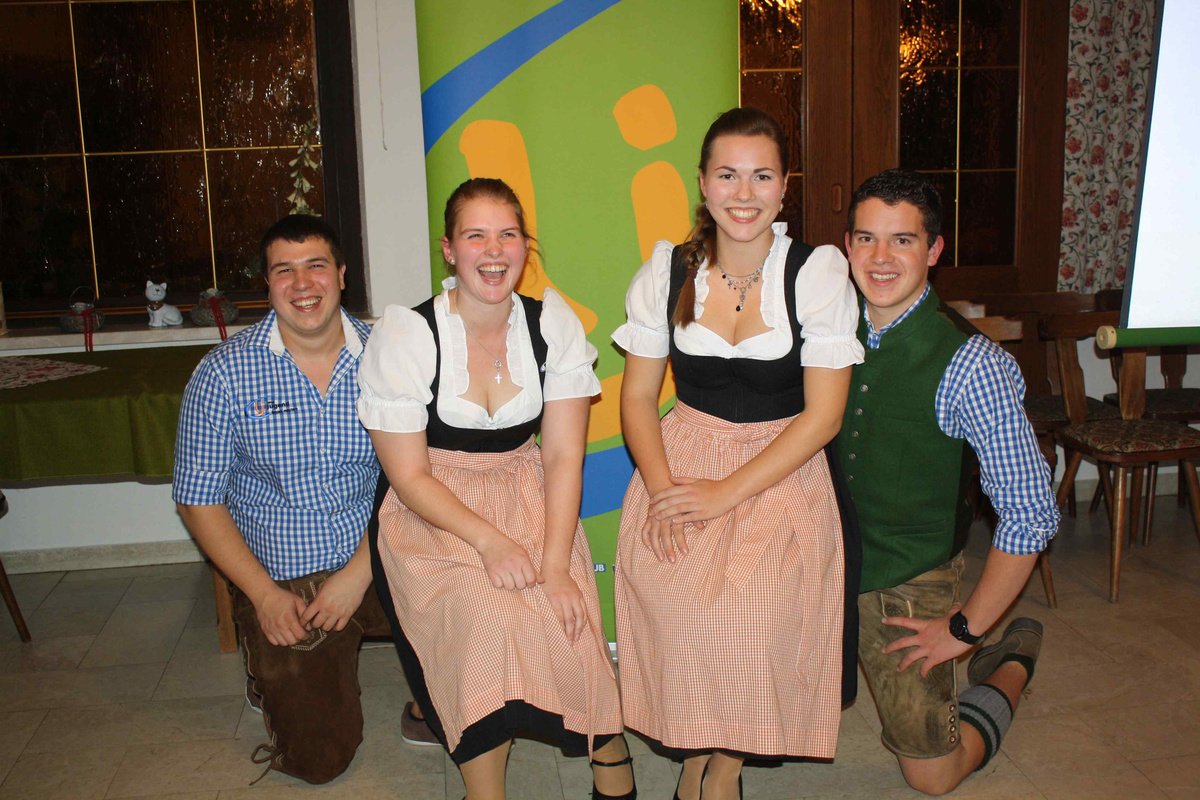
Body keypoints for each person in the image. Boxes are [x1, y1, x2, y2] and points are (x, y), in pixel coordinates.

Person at [612, 107, 864, 800]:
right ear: (703, 183)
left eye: (762, 176)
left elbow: (823, 416)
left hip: (782, 464)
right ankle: (698, 745)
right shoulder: (668, 272)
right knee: (676, 601)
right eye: (727, 175)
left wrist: (725, 494)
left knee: (756, 615)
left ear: (784, 187)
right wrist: (663, 491)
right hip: (683, 454)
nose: (744, 194)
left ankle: (721, 769)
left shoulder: (815, 274)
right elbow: (638, 399)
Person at [358, 178, 636, 800]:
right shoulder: (409, 335)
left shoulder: (550, 325)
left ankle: (608, 749)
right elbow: (408, 476)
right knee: (483, 616)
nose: (493, 250)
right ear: (449, 249)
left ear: (525, 247)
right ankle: (486, 789)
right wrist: (489, 542)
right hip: (434, 508)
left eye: (508, 235)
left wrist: (556, 564)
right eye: (475, 235)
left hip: (525, 484)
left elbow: (561, 455)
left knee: (562, 609)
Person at [172, 214, 433, 785]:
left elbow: (424, 476)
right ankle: (270, 669)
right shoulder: (223, 374)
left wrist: (359, 573)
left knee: (481, 593)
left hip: (384, 554)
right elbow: (197, 500)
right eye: (283, 271)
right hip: (284, 579)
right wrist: (263, 596)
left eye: (316, 266)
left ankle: (427, 706)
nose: (302, 284)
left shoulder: (393, 356)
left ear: (341, 274)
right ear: (267, 284)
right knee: (318, 762)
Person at [837, 169, 1059, 795]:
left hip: (907, 575)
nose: (881, 258)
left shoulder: (973, 364)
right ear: (847, 245)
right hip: (824, 556)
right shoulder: (822, 326)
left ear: (933, 251)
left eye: (902, 240)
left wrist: (966, 629)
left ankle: (1011, 661)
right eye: (866, 238)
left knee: (932, 775)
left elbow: (1030, 513)